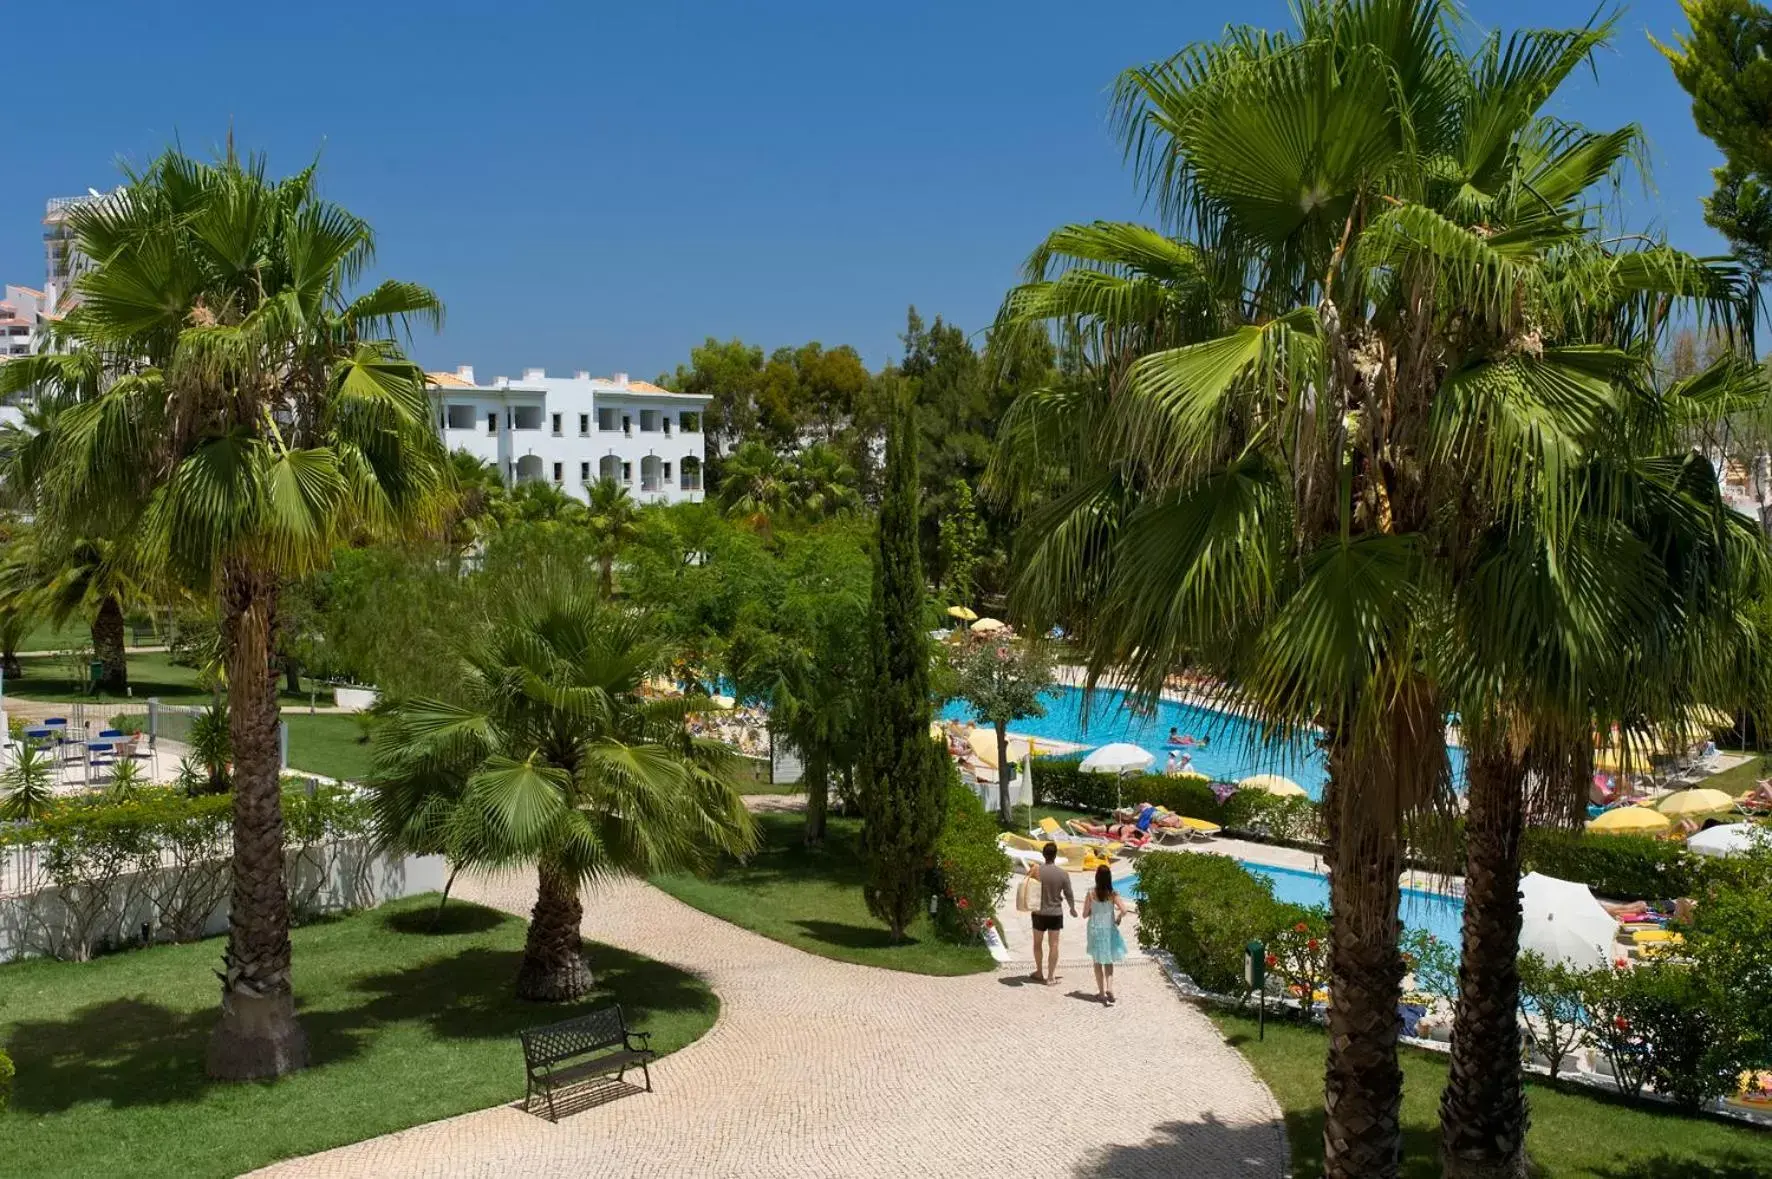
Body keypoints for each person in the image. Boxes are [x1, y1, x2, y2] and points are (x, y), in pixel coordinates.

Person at [1030, 842, 1076, 986]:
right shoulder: (1063, 874)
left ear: (1044, 855)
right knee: (1054, 945)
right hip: (1055, 913)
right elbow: (1069, 893)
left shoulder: (1036, 871)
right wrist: (1072, 908)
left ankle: (1039, 972)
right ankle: (1050, 977)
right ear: (1055, 856)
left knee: (1037, 943)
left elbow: (1027, 886)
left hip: (1038, 912)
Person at [1083, 864, 1129, 1005]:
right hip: (1109, 929)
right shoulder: (1113, 894)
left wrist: (1093, 911)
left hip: (1095, 929)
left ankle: (1102, 993)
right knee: (1108, 961)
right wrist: (1118, 917)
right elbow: (1125, 910)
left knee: (1097, 961)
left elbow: (1085, 914)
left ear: (1097, 877)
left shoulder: (1091, 893)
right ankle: (1110, 988)